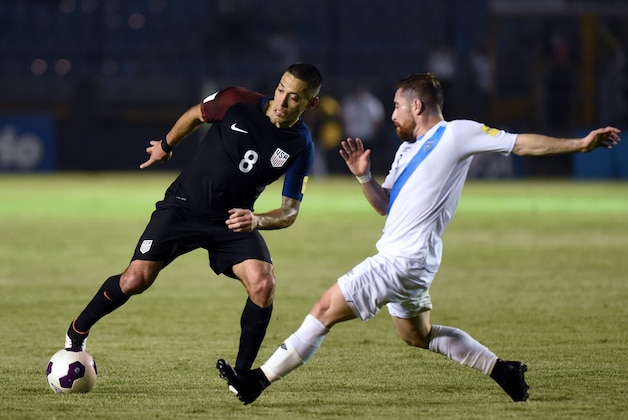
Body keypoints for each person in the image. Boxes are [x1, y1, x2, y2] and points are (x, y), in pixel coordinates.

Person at [216, 72, 622, 404]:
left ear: (417, 105)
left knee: (323, 309)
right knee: (418, 335)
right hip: (415, 262)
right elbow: (384, 204)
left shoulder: (457, 134)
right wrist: (362, 176)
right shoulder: (407, 151)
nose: (391, 114)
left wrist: (581, 144)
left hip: (400, 260)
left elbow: (520, 144)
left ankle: (257, 382)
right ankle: (503, 370)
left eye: (395, 105)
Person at [64, 63, 323, 378]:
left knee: (263, 283)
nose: (282, 102)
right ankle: (77, 331)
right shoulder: (236, 100)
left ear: (311, 103)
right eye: (281, 89)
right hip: (184, 207)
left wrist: (256, 220)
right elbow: (196, 114)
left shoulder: (300, 145)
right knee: (136, 279)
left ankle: (242, 377)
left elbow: (290, 211)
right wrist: (165, 145)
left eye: (294, 98)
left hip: (232, 221)